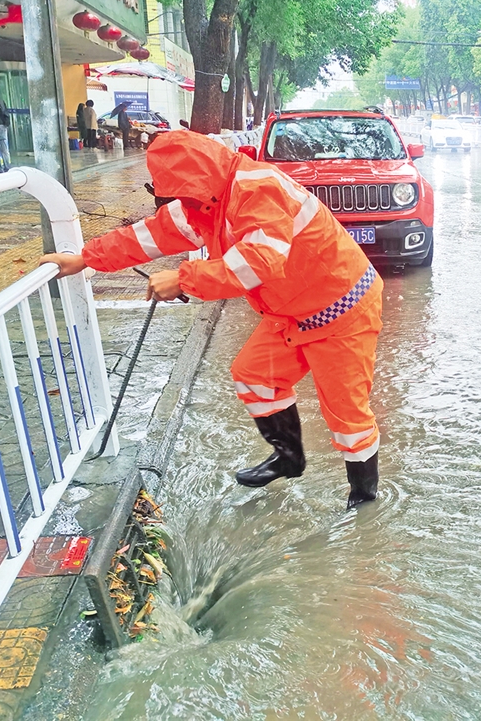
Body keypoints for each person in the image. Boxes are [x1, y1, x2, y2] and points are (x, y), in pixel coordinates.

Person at [37, 130, 384, 509]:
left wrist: (184, 279)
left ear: (199, 181)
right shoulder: (204, 201)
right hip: (292, 313)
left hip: (342, 309)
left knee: (346, 414)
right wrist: (84, 259)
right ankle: (289, 458)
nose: (178, 204)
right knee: (254, 377)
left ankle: (363, 502)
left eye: (180, 195)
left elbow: (259, 261)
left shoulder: (258, 190)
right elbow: (149, 235)